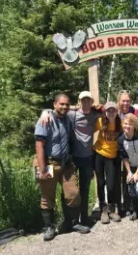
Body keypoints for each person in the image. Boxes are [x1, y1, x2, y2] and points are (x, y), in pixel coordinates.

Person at [34, 94, 90, 241]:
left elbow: (80, 108)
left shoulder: (68, 119)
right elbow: (39, 146)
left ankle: (72, 223)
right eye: (61, 104)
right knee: (47, 196)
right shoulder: (45, 120)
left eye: (66, 104)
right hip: (48, 163)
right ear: (54, 104)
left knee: (73, 193)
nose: (64, 107)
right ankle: (49, 227)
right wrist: (43, 168)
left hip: (66, 163)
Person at [39, 91, 100, 226]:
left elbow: (109, 111)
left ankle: (82, 218)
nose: (85, 102)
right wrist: (45, 111)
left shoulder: (95, 115)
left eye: (88, 100)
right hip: (62, 159)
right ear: (79, 102)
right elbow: (57, 109)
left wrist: (100, 107)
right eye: (83, 100)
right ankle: (59, 224)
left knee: (78, 190)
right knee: (51, 193)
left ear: (91, 102)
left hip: (81, 158)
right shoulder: (71, 115)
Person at [94, 101, 123, 224]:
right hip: (99, 154)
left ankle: (111, 209)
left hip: (113, 156)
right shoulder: (100, 122)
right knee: (100, 183)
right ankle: (103, 209)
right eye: (108, 110)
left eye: (113, 110)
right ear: (105, 112)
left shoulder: (120, 123)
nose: (111, 113)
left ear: (117, 112)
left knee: (111, 184)